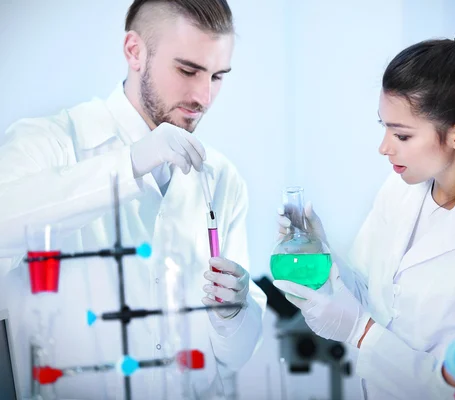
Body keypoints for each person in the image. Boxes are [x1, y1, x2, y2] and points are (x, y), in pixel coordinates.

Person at [273, 21, 455, 399]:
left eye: (402, 135)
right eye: (384, 128)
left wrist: (362, 333)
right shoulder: (398, 192)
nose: (384, 147)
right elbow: (367, 294)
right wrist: (320, 254)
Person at [0, 0, 266, 398]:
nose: (204, 96)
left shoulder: (221, 178)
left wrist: (233, 316)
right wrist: (131, 163)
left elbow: (235, 357)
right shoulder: (50, 142)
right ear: (134, 51)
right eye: (188, 70)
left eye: (217, 76)